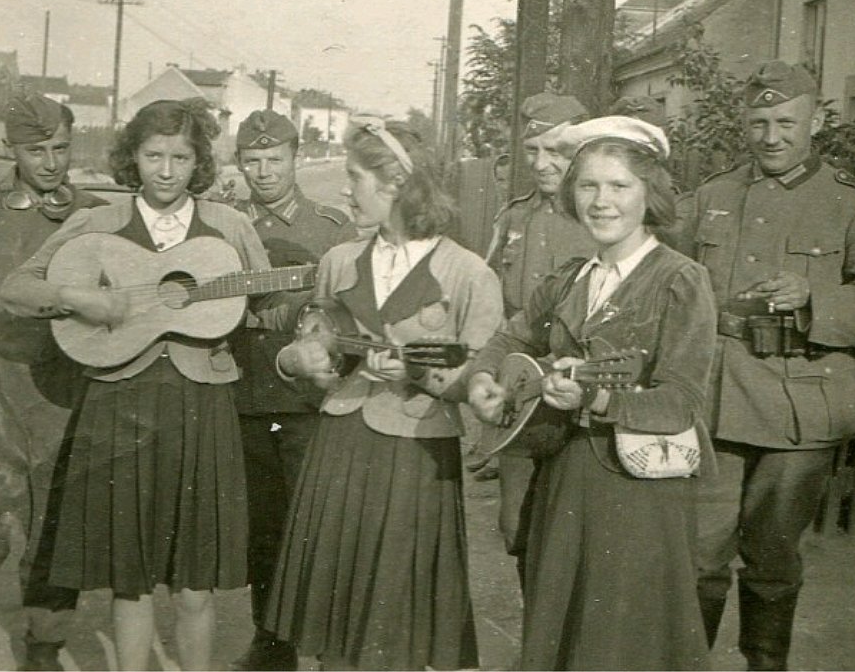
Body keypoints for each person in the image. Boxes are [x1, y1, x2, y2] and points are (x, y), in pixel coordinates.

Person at [0, 98, 274, 671]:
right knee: (133, 580)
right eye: (154, 156)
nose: (167, 171)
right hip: (120, 404)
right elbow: (17, 289)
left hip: (203, 405)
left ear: (199, 160)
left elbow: (270, 301)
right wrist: (80, 298)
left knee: (197, 585)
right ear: (134, 157)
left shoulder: (229, 224)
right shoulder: (97, 223)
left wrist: (310, 309)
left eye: (181, 157)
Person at [469, 115, 717, 671]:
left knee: (622, 645)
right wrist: (484, 380)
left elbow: (680, 402)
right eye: (588, 186)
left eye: (619, 186)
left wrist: (598, 401)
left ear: (649, 194)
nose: (602, 202)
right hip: (565, 483)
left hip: (639, 498)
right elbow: (509, 336)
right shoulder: (570, 278)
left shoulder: (680, 279)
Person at [263, 117, 504, 671]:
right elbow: (317, 347)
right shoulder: (339, 261)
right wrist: (302, 363)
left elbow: (479, 376)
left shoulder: (468, 274)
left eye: (356, 177)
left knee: (395, 628)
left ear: (395, 183)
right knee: (331, 625)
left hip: (415, 453)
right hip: (339, 443)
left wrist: (421, 374)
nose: (347, 189)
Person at [683, 61, 855, 671]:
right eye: (759, 122)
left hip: (800, 408)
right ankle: (686, 662)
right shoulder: (714, 195)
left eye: (786, 122)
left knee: (771, 557)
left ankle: (766, 667)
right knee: (698, 554)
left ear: (815, 121)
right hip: (715, 400)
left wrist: (814, 297)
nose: (771, 137)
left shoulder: (853, 203)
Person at [0, 93, 107, 671]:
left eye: (60, 147)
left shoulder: (98, 215)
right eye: (37, 151)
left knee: (56, 529)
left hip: (64, 396)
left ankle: (43, 647)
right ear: (11, 149)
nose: (51, 161)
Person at [229, 109, 355, 672]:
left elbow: (353, 308)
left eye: (274, 159)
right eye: (252, 161)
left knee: (319, 522)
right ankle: (271, 639)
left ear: (295, 157)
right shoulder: (224, 225)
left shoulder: (331, 229)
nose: (263, 172)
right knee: (263, 526)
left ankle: (325, 639)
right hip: (246, 396)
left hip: (310, 403)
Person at [483, 92, 597, 588]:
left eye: (557, 150)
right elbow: (497, 305)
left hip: (587, 397)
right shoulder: (514, 217)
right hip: (524, 398)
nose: (542, 163)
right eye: (533, 150)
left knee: (581, 536)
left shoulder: (604, 213)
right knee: (518, 529)